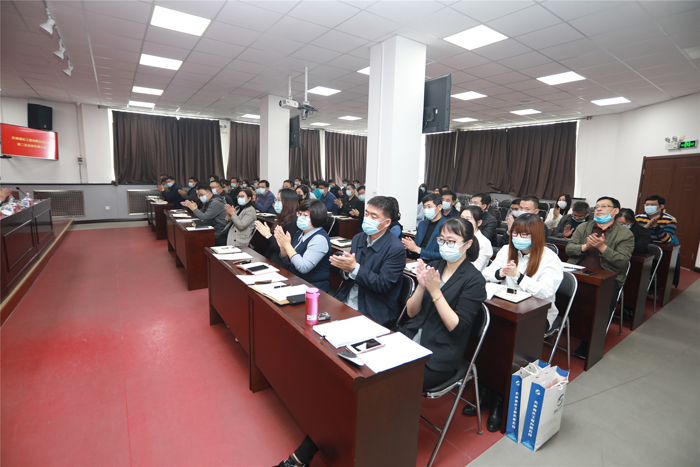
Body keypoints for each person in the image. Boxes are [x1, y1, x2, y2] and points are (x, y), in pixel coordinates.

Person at [472, 213, 564, 431]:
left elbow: (546, 292)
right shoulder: (507, 250)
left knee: (505, 344)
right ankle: (485, 389)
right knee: (485, 336)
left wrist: (519, 276)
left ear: (536, 235)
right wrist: (500, 272)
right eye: (515, 234)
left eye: (524, 235)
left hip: (536, 316)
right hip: (505, 307)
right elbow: (486, 274)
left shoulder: (550, 259)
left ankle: (500, 398)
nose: (518, 238)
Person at [566, 196, 634, 359]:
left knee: (597, 303)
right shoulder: (584, 227)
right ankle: (559, 327)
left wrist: (603, 248)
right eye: (597, 207)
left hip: (607, 279)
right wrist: (586, 246)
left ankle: (588, 342)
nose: (599, 209)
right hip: (577, 271)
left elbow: (622, 261)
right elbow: (569, 249)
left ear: (615, 211)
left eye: (604, 206)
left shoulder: (625, 234)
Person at [331, 196, 406, 327]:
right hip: (347, 298)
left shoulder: (396, 248)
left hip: (373, 309)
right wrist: (346, 270)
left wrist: (354, 268)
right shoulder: (358, 238)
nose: (367, 219)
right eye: (366, 214)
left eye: (373, 216)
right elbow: (348, 275)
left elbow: (383, 284)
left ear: (387, 222)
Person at [275, 199, 331, 292]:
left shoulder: (319, 239)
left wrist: (287, 245)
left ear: (316, 217)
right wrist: (283, 247)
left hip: (312, 287)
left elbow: (303, 267)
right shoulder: (300, 233)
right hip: (295, 280)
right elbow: (288, 261)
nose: (300, 218)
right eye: (300, 214)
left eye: (305, 215)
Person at [255, 189, 299, 268]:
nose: (276, 203)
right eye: (276, 200)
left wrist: (268, 235)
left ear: (288, 202)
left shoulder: (293, 222)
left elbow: (282, 248)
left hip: (280, 263)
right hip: (271, 258)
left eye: (279, 200)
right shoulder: (281, 218)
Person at [402, 193, 446, 261]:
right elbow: (415, 246)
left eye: (429, 206)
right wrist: (409, 246)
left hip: (432, 263)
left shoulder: (447, 226)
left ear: (439, 207)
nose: (426, 209)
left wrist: (418, 250)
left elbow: (442, 255)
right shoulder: (422, 224)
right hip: (415, 260)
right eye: (424, 207)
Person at [461, 205, 493, 271]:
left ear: (479, 223)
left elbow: (476, 269)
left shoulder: (484, 242)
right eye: (461, 218)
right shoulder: (455, 237)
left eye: (467, 219)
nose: (463, 222)